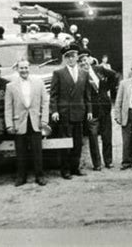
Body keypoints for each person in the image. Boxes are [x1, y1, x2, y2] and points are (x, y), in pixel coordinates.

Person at [50, 43, 92, 179]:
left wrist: (89, 110)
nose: (71, 59)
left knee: (78, 142)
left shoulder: (84, 73)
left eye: (73, 56)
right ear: (65, 58)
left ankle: (75, 167)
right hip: (65, 113)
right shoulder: (59, 73)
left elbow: (87, 95)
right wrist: (55, 111)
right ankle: (65, 170)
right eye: (68, 56)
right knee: (66, 142)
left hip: (79, 112)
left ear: (77, 57)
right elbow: (54, 94)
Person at [5, 59, 49, 186]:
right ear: (17, 69)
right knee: (20, 151)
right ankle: (21, 177)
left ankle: (39, 176)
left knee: (37, 151)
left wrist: (44, 119)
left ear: (29, 68)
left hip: (36, 121)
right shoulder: (10, 86)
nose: (24, 70)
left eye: (26, 68)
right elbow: (8, 107)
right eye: (21, 68)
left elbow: (45, 102)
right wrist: (9, 124)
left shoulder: (38, 83)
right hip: (19, 122)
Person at [79, 49, 117, 170]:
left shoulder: (99, 69)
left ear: (89, 60)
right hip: (91, 111)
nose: (84, 63)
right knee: (93, 137)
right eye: (80, 62)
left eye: (85, 60)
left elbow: (114, 75)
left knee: (107, 135)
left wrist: (106, 89)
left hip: (105, 107)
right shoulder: (80, 76)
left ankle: (108, 161)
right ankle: (97, 164)